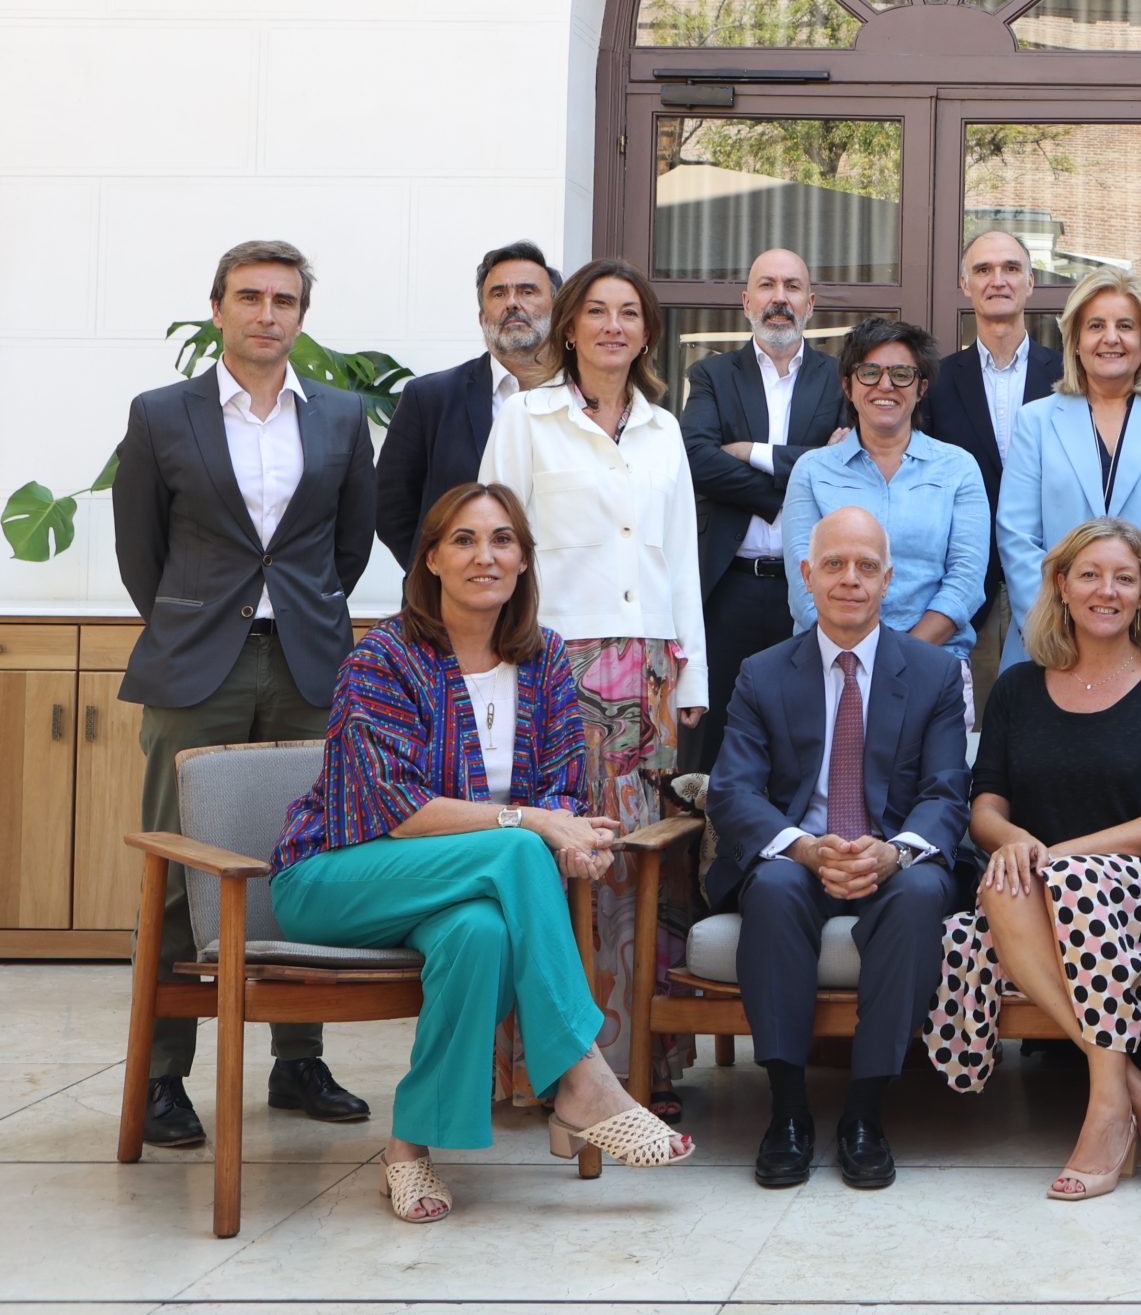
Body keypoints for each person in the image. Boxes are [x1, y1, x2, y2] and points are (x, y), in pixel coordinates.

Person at [268, 483, 691, 1221]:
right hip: (335, 876)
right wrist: (537, 826)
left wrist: (572, 841)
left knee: (481, 932)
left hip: (457, 893)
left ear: (525, 560)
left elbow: (562, 790)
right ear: (430, 558)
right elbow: (393, 810)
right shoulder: (385, 656)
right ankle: (584, 1079)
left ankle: (407, 1149)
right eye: (463, 539)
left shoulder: (547, 659)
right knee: (519, 850)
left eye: (501, 540)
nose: (483, 555)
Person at [111, 239, 375, 1148]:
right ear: (217, 306)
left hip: (310, 662)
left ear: (303, 314)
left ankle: (298, 1059)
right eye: (251, 297)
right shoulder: (161, 413)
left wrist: (293, 613)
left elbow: (349, 547)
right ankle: (159, 1076)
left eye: (285, 300)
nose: (268, 314)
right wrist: (199, 619)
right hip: (196, 665)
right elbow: (140, 551)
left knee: (310, 856)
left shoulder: (341, 417)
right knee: (180, 870)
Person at [479, 259, 707, 1119]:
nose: (614, 326)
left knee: (637, 865)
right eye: (597, 312)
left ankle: (636, 1069)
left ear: (648, 332)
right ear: (569, 326)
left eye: (630, 313)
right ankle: (542, 1068)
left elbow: (678, 554)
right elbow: (492, 541)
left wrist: (691, 676)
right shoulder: (524, 418)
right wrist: (496, 665)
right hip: (551, 670)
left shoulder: (663, 429)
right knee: (553, 857)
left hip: (647, 676)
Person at [922, 517, 1141, 1198]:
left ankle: (1107, 1113)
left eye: (1124, 578)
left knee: (1044, 881)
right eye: (1090, 574)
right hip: (1036, 880)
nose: (1106, 589)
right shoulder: (1019, 687)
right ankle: (1127, 1084)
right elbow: (984, 804)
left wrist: (1056, 855)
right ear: (1061, 585)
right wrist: (1015, 843)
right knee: (999, 885)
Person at [705, 505, 969, 1191]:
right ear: (807, 576)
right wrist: (801, 849)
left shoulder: (936, 672)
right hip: (800, 858)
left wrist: (893, 852)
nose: (850, 578)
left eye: (866, 566)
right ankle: (788, 1111)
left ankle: (863, 1113)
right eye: (834, 564)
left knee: (917, 896)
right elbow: (733, 790)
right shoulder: (763, 673)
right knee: (769, 888)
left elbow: (946, 792)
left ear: (888, 578)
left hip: (892, 860)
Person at [996, 266, 1141, 682]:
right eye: (1095, 325)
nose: (1111, 338)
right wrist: (1059, 628)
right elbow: (1017, 536)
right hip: (1052, 652)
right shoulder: (1036, 422)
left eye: (1126, 326)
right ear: (1076, 342)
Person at [680, 248, 845, 779]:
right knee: (717, 744)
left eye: (792, 286)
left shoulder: (840, 378)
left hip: (811, 591)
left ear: (811, 302)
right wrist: (791, 485)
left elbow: (845, 464)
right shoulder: (711, 374)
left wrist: (749, 450)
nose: (780, 299)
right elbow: (696, 459)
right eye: (768, 286)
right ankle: (704, 858)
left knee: (803, 740)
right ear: (746, 300)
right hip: (728, 587)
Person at [780, 319, 987, 716]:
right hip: (830, 667)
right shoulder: (812, 471)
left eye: (902, 374)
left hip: (934, 668)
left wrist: (898, 659)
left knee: (934, 780)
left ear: (922, 387)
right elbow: (804, 585)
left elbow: (965, 583)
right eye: (870, 372)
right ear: (848, 385)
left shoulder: (958, 469)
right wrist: (861, 658)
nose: (885, 386)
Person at [914, 228, 1062, 712]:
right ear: (964, 283)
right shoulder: (934, 381)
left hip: (1050, 586)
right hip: (963, 589)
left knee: (1045, 721)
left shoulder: (1068, 377)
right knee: (967, 728)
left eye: (1010, 268)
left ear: (1031, 282)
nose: (997, 280)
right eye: (983, 270)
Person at [373, 240, 561, 568]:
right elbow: (390, 510)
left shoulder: (584, 401)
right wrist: (442, 579)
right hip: (451, 607)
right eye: (498, 293)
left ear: (557, 310)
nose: (512, 303)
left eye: (528, 292)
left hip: (561, 602)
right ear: (481, 315)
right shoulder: (429, 398)